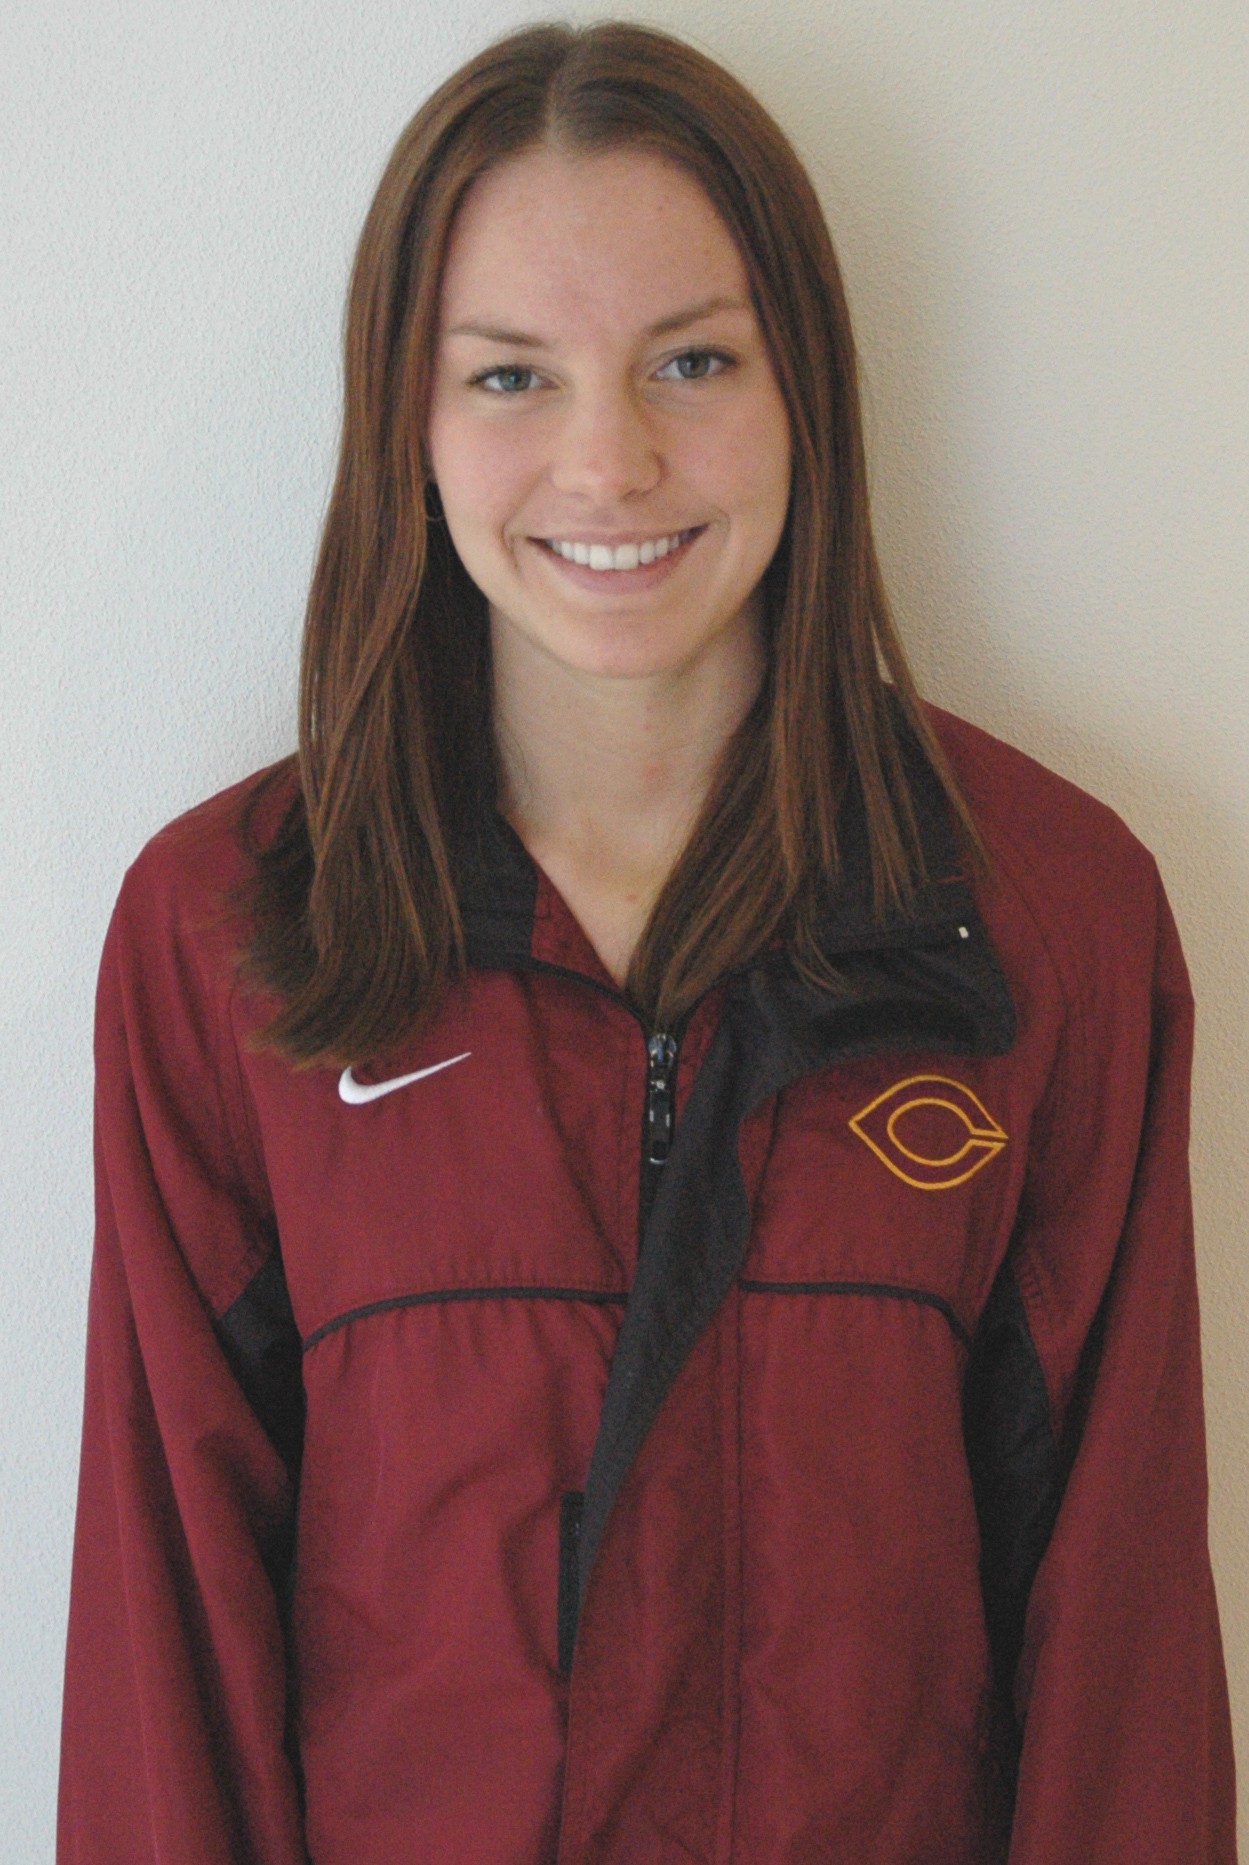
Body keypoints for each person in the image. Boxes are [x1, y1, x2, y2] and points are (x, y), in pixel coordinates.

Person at [58, 19, 1236, 1864]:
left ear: (804, 390)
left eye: (691, 359)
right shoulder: (234, 937)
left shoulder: (1043, 919)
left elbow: (1120, 1657)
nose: (608, 461)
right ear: (407, 423)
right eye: (510, 376)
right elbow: (167, 1671)